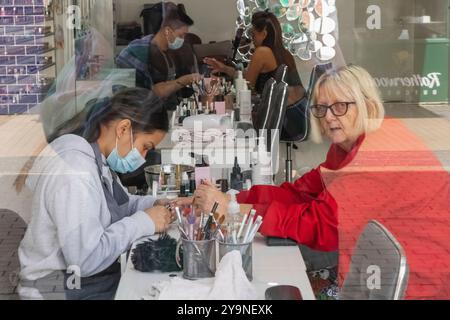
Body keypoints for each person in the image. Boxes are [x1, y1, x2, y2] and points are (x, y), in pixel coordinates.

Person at [192, 65, 385, 252]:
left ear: (368, 107)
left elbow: (321, 226)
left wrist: (233, 211)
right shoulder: (342, 149)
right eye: (322, 108)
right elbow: (299, 194)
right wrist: (230, 198)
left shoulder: (373, 158)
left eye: (340, 106)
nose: (328, 117)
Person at [18, 88, 174, 300]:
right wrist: (144, 222)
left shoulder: (96, 159)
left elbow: (120, 205)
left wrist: (158, 202)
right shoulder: (74, 173)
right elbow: (87, 259)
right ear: (124, 128)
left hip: (85, 280)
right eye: (145, 147)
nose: (144, 157)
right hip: (59, 289)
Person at [204, 10, 306, 107]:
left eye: (253, 35)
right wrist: (224, 68)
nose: (252, 40)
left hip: (285, 117)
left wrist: (223, 96)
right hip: (300, 109)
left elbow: (247, 87)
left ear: (264, 34)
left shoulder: (262, 52)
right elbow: (247, 77)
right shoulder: (284, 53)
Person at [116, 2, 201, 109]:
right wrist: (184, 80)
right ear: (167, 31)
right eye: (181, 35)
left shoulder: (169, 52)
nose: (182, 40)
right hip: (136, 110)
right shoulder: (139, 52)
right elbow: (154, 92)